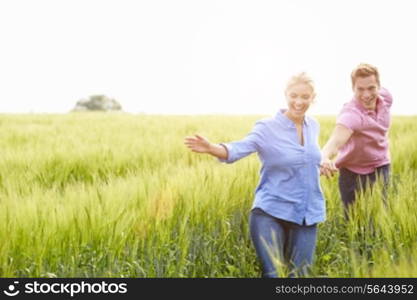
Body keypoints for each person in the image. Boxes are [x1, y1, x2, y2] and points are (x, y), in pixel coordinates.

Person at [184, 73, 325, 278]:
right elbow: (240, 148)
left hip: (306, 214)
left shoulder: (313, 126)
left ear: (313, 98)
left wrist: (324, 162)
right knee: (274, 276)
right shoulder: (267, 127)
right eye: (294, 95)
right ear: (285, 95)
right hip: (271, 212)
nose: (299, 101)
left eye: (305, 96)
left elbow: (307, 158)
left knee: (301, 276)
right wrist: (212, 148)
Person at [320, 63, 392, 215]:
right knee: (354, 222)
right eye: (360, 89)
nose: (366, 95)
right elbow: (335, 142)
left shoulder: (386, 98)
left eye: (371, 88)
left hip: (381, 167)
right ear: (353, 89)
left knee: (380, 220)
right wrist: (324, 157)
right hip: (352, 174)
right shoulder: (351, 115)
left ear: (379, 86)